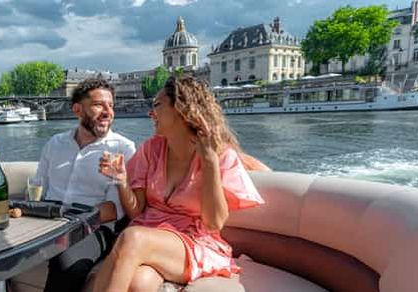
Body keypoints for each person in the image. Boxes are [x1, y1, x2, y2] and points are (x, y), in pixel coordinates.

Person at [93, 75, 265, 291]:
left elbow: (213, 223)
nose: (150, 113)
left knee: (132, 237)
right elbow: (136, 212)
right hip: (149, 234)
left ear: (182, 109)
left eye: (157, 105)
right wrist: (121, 180)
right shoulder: (151, 149)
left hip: (193, 240)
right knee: (140, 284)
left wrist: (209, 161)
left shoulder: (220, 155)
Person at [31, 77, 136, 292]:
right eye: (99, 105)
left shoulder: (122, 149)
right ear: (77, 109)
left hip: (95, 227)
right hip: (49, 220)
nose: (108, 111)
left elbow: (112, 210)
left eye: (111, 105)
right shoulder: (55, 144)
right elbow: (37, 189)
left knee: (68, 263)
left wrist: (63, 219)